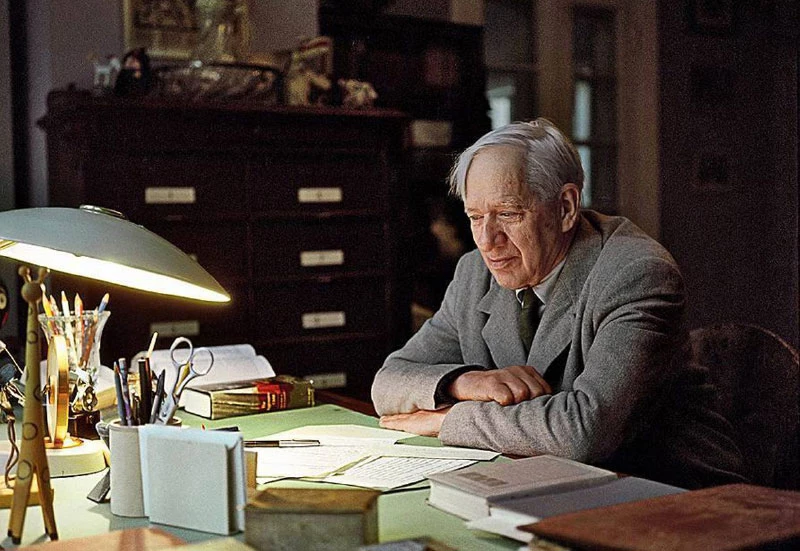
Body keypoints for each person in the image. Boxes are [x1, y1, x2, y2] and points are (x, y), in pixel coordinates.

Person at [372, 119, 746, 488]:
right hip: (547, 484)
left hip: (675, 496)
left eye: (508, 214)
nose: (487, 240)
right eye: (475, 217)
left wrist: (450, 419)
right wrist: (463, 383)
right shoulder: (475, 273)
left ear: (566, 207)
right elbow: (388, 383)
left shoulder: (637, 273)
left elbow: (584, 431)